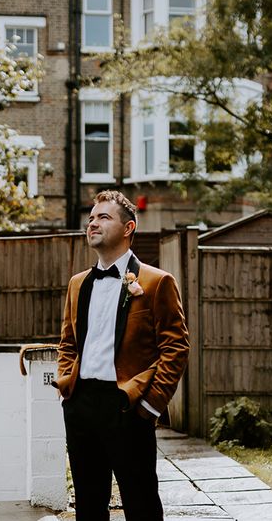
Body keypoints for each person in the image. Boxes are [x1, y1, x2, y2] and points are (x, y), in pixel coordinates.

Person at [56, 190, 190, 520]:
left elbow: (176, 347)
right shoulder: (77, 283)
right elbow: (68, 343)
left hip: (127, 405)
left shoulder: (157, 282)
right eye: (90, 218)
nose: (93, 223)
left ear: (128, 227)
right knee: (88, 503)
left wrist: (150, 404)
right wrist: (66, 391)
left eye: (103, 217)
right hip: (82, 404)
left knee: (140, 501)